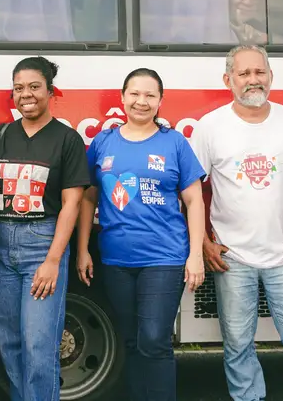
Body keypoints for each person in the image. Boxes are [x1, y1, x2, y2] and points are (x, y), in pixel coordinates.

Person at [191, 44, 283, 401]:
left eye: (259, 72)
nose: (253, 80)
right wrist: (205, 242)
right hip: (231, 257)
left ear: (270, 76)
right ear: (228, 80)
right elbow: (191, 190)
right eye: (244, 74)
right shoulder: (210, 127)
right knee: (237, 344)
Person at [76, 68, 207, 401]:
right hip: (116, 258)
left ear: (161, 101)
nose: (141, 101)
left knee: (153, 339)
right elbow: (88, 195)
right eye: (134, 94)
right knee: (130, 340)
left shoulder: (174, 142)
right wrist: (82, 250)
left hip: (164, 258)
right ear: (122, 98)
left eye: (150, 95)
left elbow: (193, 200)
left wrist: (195, 255)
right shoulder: (104, 142)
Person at [0, 56, 89, 401]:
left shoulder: (67, 139)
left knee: (40, 344)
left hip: (41, 245)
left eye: (34, 87)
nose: (26, 95)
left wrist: (54, 259)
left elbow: (72, 202)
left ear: (50, 91)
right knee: (8, 341)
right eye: (19, 88)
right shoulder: (0, 136)